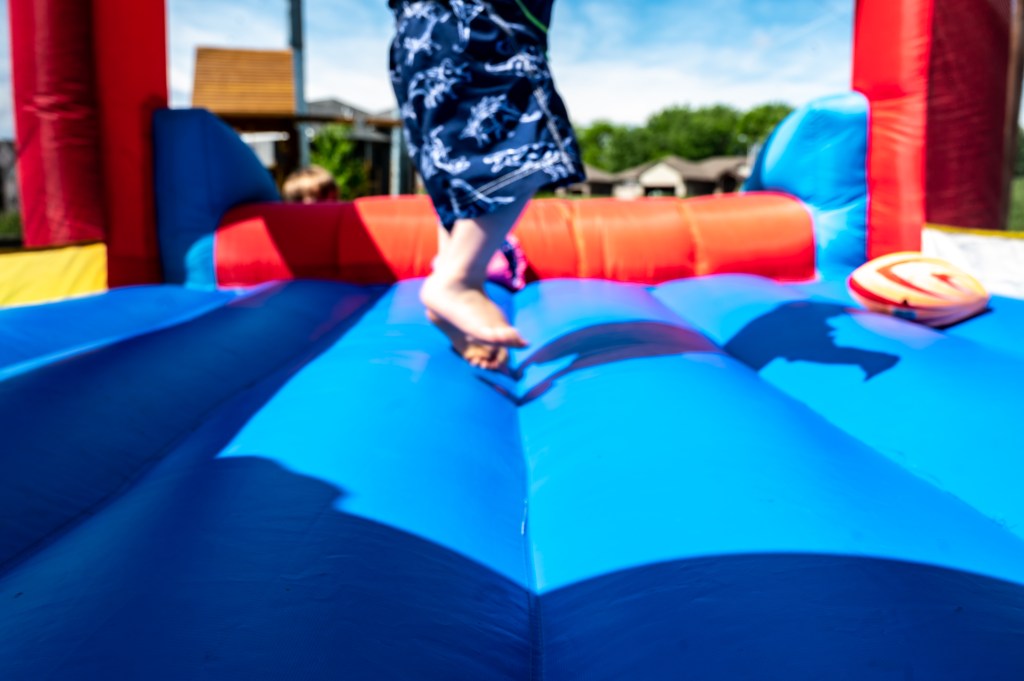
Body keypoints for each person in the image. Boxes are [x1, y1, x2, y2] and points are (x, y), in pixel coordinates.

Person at [389, 0, 585, 369]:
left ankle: (454, 279)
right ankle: (458, 279)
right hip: (480, 17)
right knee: (525, 134)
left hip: (416, 33)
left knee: (453, 166)